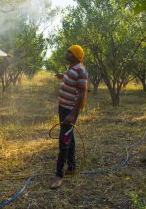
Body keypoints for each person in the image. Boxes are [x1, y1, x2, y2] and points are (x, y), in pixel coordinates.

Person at [50, 45, 88, 189]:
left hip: (69, 111)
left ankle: (58, 176)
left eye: (69, 51)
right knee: (69, 137)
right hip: (63, 108)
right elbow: (71, 82)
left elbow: (82, 94)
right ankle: (71, 168)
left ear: (76, 55)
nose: (66, 53)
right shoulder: (71, 68)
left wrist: (72, 114)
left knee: (64, 140)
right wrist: (63, 76)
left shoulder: (81, 70)